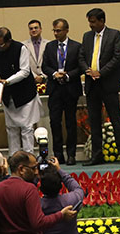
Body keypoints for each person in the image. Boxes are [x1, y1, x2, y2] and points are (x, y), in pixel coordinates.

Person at [78, 8, 120, 166]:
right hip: (92, 84)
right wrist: (88, 70)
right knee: (94, 122)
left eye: (93, 22)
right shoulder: (87, 36)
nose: (91, 25)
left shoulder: (114, 34)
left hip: (108, 84)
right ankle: (97, 155)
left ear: (102, 21)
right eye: (89, 22)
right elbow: (81, 57)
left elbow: (118, 57)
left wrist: (100, 73)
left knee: (116, 120)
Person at [0, 150, 77, 234]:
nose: (37, 172)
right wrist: (61, 215)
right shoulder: (29, 190)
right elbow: (39, 223)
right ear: (21, 169)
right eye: (33, 168)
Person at [0, 27, 40, 154]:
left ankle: (28, 156)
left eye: (1, 44)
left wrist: (7, 81)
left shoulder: (20, 48)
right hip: (8, 95)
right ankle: (14, 156)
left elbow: (24, 71)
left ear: (9, 41)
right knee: (11, 128)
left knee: (26, 128)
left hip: (25, 94)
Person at [41, 18, 82, 164]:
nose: (55, 33)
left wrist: (68, 75)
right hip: (55, 89)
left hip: (70, 89)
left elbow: (81, 67)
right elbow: (45, 66)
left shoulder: (76, 46)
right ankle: (58, 155)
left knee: (71, 123)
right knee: (55, 123)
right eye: (54, 30)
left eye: (58, 30)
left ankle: (71, 154)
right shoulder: (50, 46)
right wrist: (54, 74)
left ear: (66, 30)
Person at [39, 160, 85, 234]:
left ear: (41, 188)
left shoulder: (37, 206)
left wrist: (35, 173)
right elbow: (77, 188)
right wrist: (59, 169)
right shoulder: (72, 199)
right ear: (60, 185)